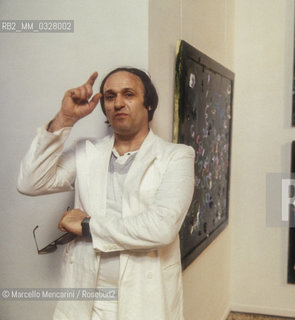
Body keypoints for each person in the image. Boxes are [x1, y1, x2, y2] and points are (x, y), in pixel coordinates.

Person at [17, 68, 195, 320]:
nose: (118, 103)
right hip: (86, 298)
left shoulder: (176, 156)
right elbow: (30, 182)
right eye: (110, 96)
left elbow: (161, 227)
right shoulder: (86, 152)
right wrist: (65, 119)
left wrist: (87, 226)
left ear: (149, 105)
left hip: (144, 297)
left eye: (129, 94)